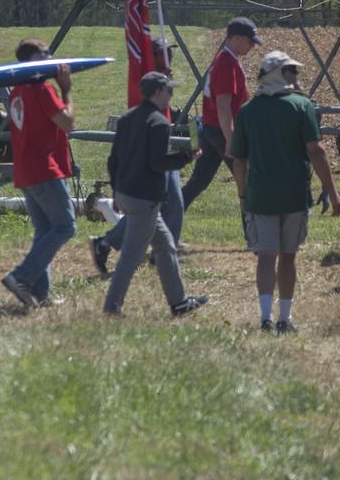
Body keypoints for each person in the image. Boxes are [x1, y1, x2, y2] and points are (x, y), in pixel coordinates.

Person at [231, 51, 340, 334]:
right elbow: (316, 151)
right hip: (294, 194)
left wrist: (243, 195)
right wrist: (332, 191)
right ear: (279, 74)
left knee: (266, 256)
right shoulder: (301, 106)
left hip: (260, 195)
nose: (296, 77)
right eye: (291, 71)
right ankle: (285, 318)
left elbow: (239, 160)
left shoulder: (247, 111)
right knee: (289, 256)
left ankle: (265, 318)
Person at [102, 72, 209, 317]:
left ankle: (179, 302)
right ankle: (111, 307)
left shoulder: (128, 118)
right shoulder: (159, 122)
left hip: (127, 193)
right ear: (158, 93)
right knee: (131, 255)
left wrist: (116, 191)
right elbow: (158, 163)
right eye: (169, 90)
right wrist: (186, 157)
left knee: (165, 245)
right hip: (145, 199)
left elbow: (113, 160)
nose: (171, 95)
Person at [91, 38, 185, 273]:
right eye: (163, 52)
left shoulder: (161, 77)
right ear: (151, 54)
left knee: (154, 210)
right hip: (150, 153)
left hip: (157, 148)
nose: (169, 56)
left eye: (169, 52)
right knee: (170, 205)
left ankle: (106, 244)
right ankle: (161, 257)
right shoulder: (147, 80)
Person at [2, 38, 76, 308]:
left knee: (45, 229)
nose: (51, 58)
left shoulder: (17, 89)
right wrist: (66, 90)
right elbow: (67, 123)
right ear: (31, 61)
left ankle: (41, 295)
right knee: (66, 226)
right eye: (45, 54)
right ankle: (21, 276)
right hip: (44, 168)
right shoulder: (42, 88)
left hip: (25, 169)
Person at [181, 16, 260, 211]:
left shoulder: (227, 60)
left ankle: (163, 219)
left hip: (212, 128)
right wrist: (231, 139)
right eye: (250, 42)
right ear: (237, 39)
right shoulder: (226, 63)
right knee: (248, 178)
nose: (252, 47)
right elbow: (223, 104)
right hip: (220, 130)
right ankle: (254, 231)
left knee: (199, 181)